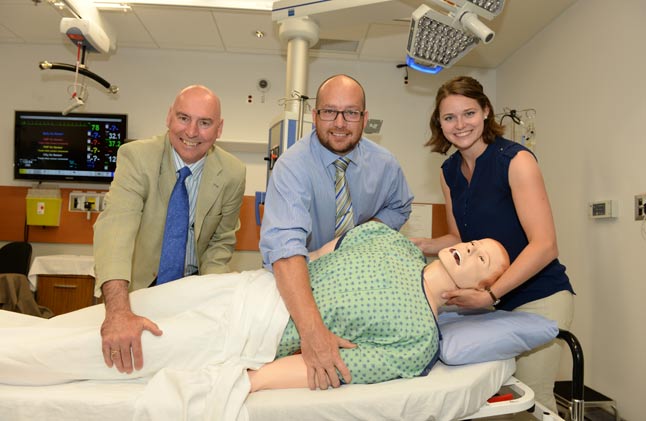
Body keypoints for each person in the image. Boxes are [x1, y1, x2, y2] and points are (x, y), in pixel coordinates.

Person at [0, 222, 509, 394]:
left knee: (106, 351)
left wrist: (249, 382)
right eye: (478, 240)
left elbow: (328, 365)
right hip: (241, 287)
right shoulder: (387, 239)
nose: (473, 245)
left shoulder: (418, 341)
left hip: (247, 337)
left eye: (484, 256)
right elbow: (314, 257)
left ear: (482, 288)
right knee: (107, 318)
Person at [410, 76, 574, 411]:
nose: (460, 125)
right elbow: (460, 239)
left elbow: (544, 245)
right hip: (488, 301)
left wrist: (490, 294)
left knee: (532, 400)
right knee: (485, 401)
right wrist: (420, 245)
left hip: (537, 296)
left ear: (486, 111)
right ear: (439, 124)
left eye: (468, 113)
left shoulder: (515, 161)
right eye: (449, 118)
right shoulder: (449, 171)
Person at [259, 74, 414, 391]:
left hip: (355, 286)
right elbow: (286, 252)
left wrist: (358, 241)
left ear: (365, 119)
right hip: (299, 282)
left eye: (351, 113)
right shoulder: (292, 167)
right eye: (329, 112)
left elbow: (399, 207)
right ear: (315, 115)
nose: (340, 123)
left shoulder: (385, 165)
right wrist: (312, 333)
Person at [93, 84, 246, 375]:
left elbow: (220, 243)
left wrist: (213, 301)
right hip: (135, 293)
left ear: (219, 129)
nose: (191, 132)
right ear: (168, 117)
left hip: (191, 297)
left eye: (205, 123)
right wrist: (118, 312)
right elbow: (116, 229)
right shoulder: (137, 158)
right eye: (183, 118)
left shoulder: (233, 173)